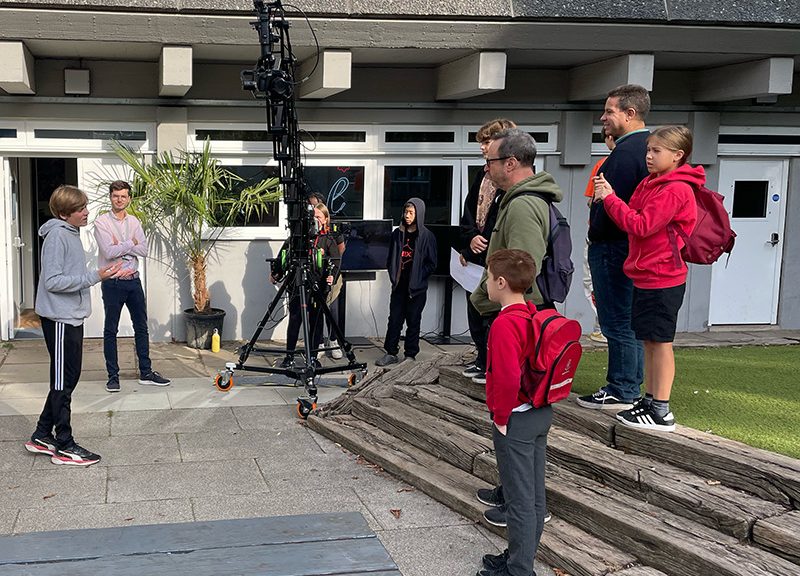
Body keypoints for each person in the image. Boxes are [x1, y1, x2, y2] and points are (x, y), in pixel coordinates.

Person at [593, 126, 699, 431]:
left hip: (663, 276)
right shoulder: (652, 183)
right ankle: (650, 401)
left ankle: (661, 410)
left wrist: (610, 198)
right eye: (648, 150)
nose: (649, 156)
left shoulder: (675, 188)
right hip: (646, 274)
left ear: (678, 156)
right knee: (649, 340)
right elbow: (637, 218)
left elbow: (640, 225)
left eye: (657, 151)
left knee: (660, 342)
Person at [25, 185, 122, 466]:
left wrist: (98, 274)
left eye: (85, 207)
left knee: (67, 379)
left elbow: (71, 275)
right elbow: (53, 281)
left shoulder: (69, 233)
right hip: (59, 320)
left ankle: (42, 435)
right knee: (62, 381)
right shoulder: (57, 235)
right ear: (66, 213)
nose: (86, 212)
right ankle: (65, 445)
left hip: (71, 317)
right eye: (81, 209)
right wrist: (94, 277)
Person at [476, 249, 552, 576]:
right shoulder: (532, 313)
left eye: (489, 278)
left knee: (519, 501)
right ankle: (517, 557)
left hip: (516, 418)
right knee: (534, 497)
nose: (486, 284)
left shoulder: (505, 324)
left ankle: (519, 569)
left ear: (502, 282)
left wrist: (501, 418)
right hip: (539, 411)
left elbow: (506, 377)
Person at [578, 84, 650, 410]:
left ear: (630, 114)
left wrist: (598, 232)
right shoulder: (646, 150)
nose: (603, 117)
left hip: (614, 249)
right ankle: (629, 386)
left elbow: (610, 207)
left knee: (616, 321)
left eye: (609, 111)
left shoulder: (625, 154)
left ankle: (621, 388)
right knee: (628, 321)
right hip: (632, 248)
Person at [93, 180, 170, 393]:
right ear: (110, 197)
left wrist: (122, 245)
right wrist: (131, 244)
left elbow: (144, 250)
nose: (119, 199)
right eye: (116, 196)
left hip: (133, 281)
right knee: (111, 330)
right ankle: (113, 377)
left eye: (123, 196)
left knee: (141, 328)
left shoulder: (135, 221)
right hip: (113, 282)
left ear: (129, 198)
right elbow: (108, 252)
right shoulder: (101, 223)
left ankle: (146, 372)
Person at [458, 118, 516, 381]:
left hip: (497, 256)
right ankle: (482, 358)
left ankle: (491, 362)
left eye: (486, 142)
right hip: (476, 255)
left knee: (493, 313)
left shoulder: (513, 179)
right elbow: (469, 211)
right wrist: (470, 239)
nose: (482, 147)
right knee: (475, 307)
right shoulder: (482, 174)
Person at [276, 202, 344, 368]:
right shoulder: (297, 239)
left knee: (316, 321)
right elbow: (283, 255)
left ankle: (313, 358)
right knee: (295, 319)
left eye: (318, 217)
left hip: (317, 287)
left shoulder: (327, 239)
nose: (315, 221)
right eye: (312, 217)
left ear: (325, 219)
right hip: (297, 285)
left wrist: (331, 278)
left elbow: (335, 261)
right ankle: (289, 356)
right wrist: (276, 271)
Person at [375, 198, 437, 367]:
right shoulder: (397, 234)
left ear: (419, 214)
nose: (407, 216)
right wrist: (393, 277)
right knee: (394, 320)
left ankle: (410, 355)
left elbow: (431, 263)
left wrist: (418, 278)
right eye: (406, 212)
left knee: (413, 320)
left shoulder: (426, 236)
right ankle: (390, 352)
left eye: (411, 213)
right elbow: (390, 259)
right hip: (399, 287)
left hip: (416, 289)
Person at [582, 129, 616, 344]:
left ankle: (601, 327)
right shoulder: (645, 163)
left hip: (600, 234)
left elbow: (591, 201)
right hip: (627, 234)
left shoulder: (602, 165)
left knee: (594, 282)